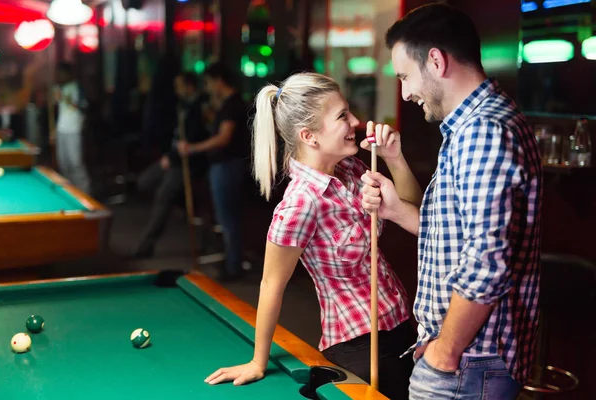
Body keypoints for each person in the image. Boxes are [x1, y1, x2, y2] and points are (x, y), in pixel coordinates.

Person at [360, 4, 542, 399]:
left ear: (437, 61)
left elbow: (486, 262)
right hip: (472, 360)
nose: (406, 92)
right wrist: (395, 210)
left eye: (406, 77)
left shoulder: (481, 131)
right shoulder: (478, 122)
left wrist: (446, 350)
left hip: (468, 362)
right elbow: (460, 235)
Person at [202, 72, 416, 399]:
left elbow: (411, 209)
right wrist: (259, 361)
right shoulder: (301, 204)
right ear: (309, 136)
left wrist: (394, 159)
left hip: (402, 325)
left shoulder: (352, 169)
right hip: (360, 346)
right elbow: (271, 284)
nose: (356, 121)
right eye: (343, 116)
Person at [178, 63, 249, 281]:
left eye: (209, 83)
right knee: (229, 218)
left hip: (228, 167)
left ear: (219, 80)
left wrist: (192, 148)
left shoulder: (232, 105)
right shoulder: (231, 104)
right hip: (229, 166)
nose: (208, 88)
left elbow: (223, 138)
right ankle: (232, 262)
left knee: (229, 220)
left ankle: (233, 266)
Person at [132, 72, 209, 258]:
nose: (176, 90)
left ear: (189, 86)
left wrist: (173, 158)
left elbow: (196, 138)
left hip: (188, 163)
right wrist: (169, 155)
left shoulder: (202, 107)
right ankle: (178, 201)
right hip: (173, 158)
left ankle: (145, 247)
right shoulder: (182, 105)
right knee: (142, 182)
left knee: (162, 196)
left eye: (179, 85)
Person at [51, 62, 91, 193]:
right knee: (64, 164)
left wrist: (65, 99)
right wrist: (54, 130)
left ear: (68, 73)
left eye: (61, 73)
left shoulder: (77, 87)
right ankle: (71, 192)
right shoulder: (59, 88)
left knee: (76, 163)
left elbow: (84, 107)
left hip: (74, 130)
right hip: (61, 130)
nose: (59, 76)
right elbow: (57, 111)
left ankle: (85, 193)